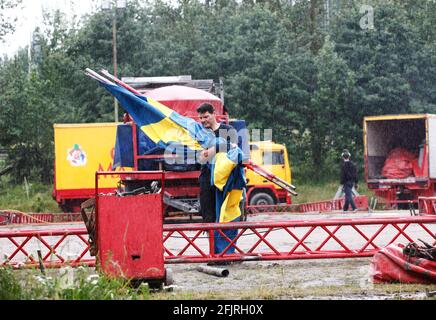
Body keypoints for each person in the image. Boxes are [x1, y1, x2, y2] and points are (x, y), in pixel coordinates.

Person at [197, 103, 238, 223]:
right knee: (208, 215)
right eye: (201, 118)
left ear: (214, 114)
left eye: (206, 117)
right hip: (206, 178)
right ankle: (212, 241)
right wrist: (217, 149)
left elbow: (234, 148)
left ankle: (226, 241)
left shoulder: (228, 130)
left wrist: (213, 149)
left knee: (225, 215)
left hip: (225, 179)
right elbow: (200, 157)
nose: (203, 120)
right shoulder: (201, 134)